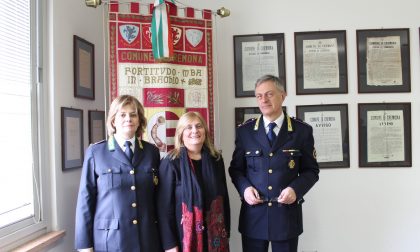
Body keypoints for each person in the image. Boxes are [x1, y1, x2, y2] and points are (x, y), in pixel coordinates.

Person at [229, 75, 319, 252]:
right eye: (259, 96)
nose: (264, 100)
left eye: (269, 94)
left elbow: (311, 171)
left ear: (283, 95)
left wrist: (295, 189)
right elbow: (236, 169)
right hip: (254, 218)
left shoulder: (302, 131)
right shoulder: (245, 132)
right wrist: (245, 188)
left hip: (286, 218)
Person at [75, 95, 162, 252]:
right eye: (122, 114)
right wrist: (84, 246)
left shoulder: (152, 152)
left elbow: (159, 200)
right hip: (111, 242)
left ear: (139, 120)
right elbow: (85, 202)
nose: (128, 119)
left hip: (147, 239)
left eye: (133, 114)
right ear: (113, 121)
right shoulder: (96, 152)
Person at [157, 111, 230, 252]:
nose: (195, 131)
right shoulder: (171, 163)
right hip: (182, 238)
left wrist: (226, 231)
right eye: (188, 127)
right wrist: (170, 245)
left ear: (205, 131)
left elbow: (224, 198)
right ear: (180, 134)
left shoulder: (216, 159)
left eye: (199, 126)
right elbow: (163, 209)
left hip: (215, 236)